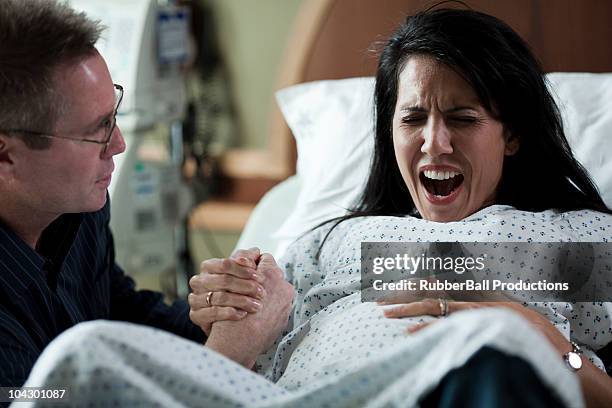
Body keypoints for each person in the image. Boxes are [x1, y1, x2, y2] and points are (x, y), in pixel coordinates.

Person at [18, 6, 612, 408]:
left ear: (512, 135)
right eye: (412, 119)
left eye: (462, 119)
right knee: (84, 353)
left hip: (449, 384)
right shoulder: (328, 243)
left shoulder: (569, 243)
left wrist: (546, 343)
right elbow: (236, 370)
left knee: (486, 345)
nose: (435, 143)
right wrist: (226, 327)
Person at [0, 0, 293, 394]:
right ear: (6, 155)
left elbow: (119, 315)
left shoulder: (76, 211)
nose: (119, 144)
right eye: (98, 128)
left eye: (114, 114)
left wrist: (215, 314)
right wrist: (231, 352)